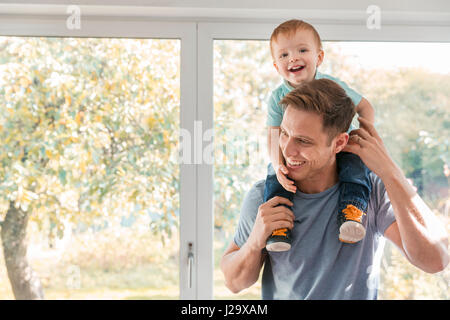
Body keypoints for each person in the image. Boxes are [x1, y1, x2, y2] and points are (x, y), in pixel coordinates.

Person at [220, 79, 449, 299]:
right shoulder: (265, 196)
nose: (287, 150)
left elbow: (435, 260)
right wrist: (254, 241)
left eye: (303, 141)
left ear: (339, 143)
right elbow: (234, 282)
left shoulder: (370, 191)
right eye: (284, 134)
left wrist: (390, 171)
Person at [265, 19, 375, 249]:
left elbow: (365, 107)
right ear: (276, 66)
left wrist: (364, 137)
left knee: (356, 169)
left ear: (319, 58)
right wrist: (277, 165)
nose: (293, 58)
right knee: (274, 178)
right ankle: (279, 226)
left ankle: (352, 213)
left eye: (302, 50)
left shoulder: (333, 86)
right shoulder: (277, 98)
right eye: (284, 55)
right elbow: (273, 135)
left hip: (339, 146)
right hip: (295, 155)